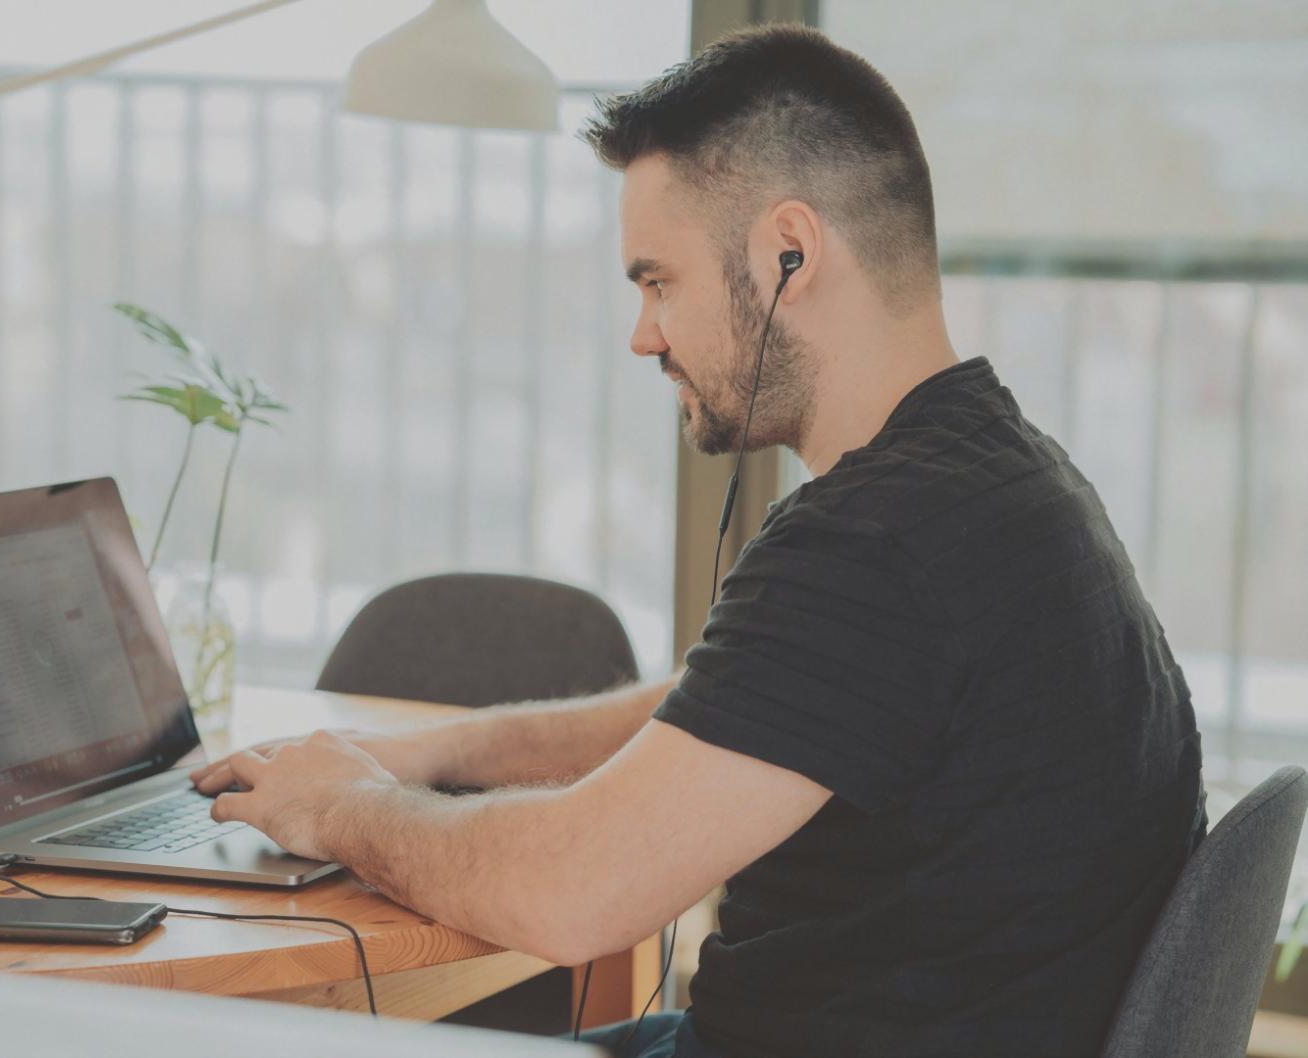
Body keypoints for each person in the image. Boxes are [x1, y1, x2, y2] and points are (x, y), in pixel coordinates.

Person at [192, 23, 1204, 1058]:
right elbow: (728, 708)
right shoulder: (998, 477)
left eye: (656, 280)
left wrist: (348, 804)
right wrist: (439, 750)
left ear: (786, 254)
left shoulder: (876, 542)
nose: (643, 333)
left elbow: (568, 891)